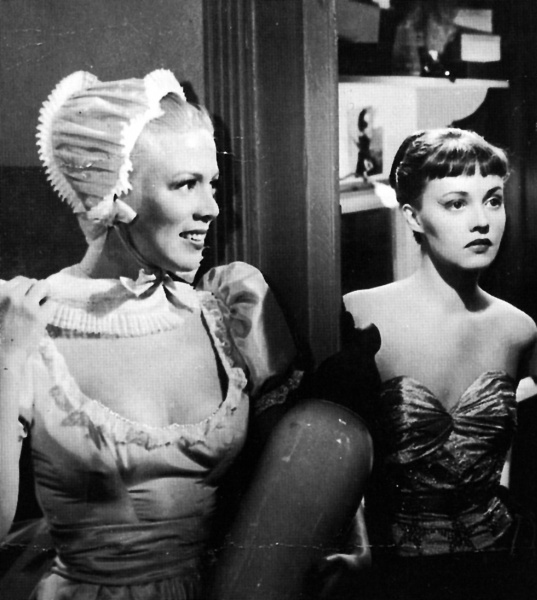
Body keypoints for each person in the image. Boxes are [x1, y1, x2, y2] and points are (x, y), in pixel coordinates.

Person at [0, 69, 306, 599]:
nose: (212, 207)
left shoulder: (225, 312)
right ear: (113, 194)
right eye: (186, 184)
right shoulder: (25, 321)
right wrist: (7, 362)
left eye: (213, 183)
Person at [307, 127, 537, 599]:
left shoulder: (518, 331)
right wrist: (361, 549)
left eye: (493, 200)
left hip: (498, 571)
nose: (482, 222)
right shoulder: (359, 314)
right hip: (394, 576)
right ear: (413, 216)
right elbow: (330, 457)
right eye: (456, 204)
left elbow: (503, 461)